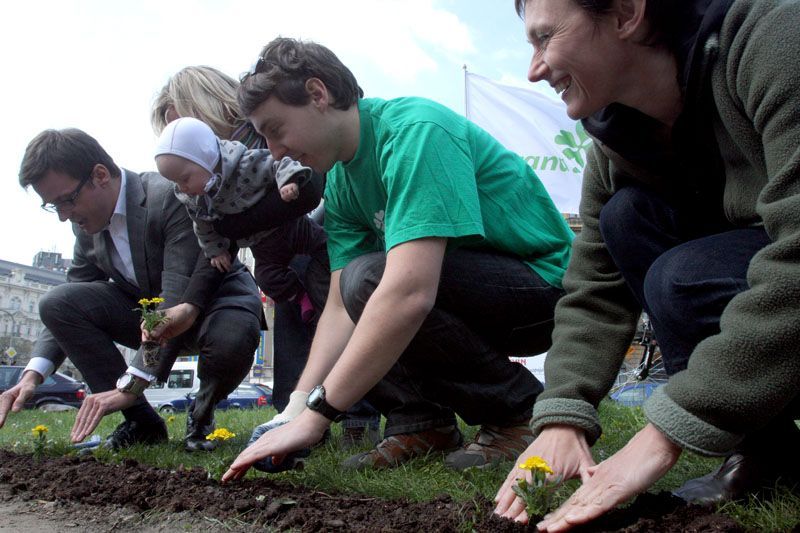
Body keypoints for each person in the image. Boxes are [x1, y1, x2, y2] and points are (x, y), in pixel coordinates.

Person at [493, 0, 800, 530]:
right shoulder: (615, 143)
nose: (534, 69)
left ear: (625, 13)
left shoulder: (775, 41)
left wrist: (665, 432)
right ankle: (767, 451)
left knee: (679, 277)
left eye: (545, 38)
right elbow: (595, 285)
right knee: (626, 217)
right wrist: (563, 414)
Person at [221, 37, 574, 480]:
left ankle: (518, 412)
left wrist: (318, 417)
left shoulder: (415, 132)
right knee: (343, 280)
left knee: (373, 280)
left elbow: (409, 293)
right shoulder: (341, 181)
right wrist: (295, 409)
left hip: (548, 290)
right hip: (471, 297)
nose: (274, 151)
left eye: (275, 130)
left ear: (317, 93)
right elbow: (339, 308)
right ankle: (422, 424)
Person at [151, 66, 380, 446]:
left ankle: (357, 412)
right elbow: (214, 242)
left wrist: (234, 226)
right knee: (289, 308)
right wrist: (192, 301)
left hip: (324, 220)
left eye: (183, 127)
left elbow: (308, 186)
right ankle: (293, 414)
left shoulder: (258, 136)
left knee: (332, 299)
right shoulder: (203, 183)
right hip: (275, 247)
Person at [1, 128, 264, 453]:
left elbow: (174, 298)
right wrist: (32, 375)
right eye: (53, 206)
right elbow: (70, 299)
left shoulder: (167, 197)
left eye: (66, 200)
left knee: (231, 334)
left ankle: (202, 414)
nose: (63, 216)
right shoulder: (86, 227)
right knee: (57, 302)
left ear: (100, 175)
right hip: (152, 318)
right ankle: (142, 423)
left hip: (214, 305)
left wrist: (132, 383)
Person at [155, 116, 318, 321]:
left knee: (322, 243)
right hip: (263, 246)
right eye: (176, 183)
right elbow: (203, 228)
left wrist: (289, 180)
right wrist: (216, 251)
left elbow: (276, 163)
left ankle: (336, 270)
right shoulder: (197, 201)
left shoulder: (244, 163)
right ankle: (301, 296)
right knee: (266, 279)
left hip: (290, 226)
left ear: (206, 157)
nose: (182, 188)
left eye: (185, 178)